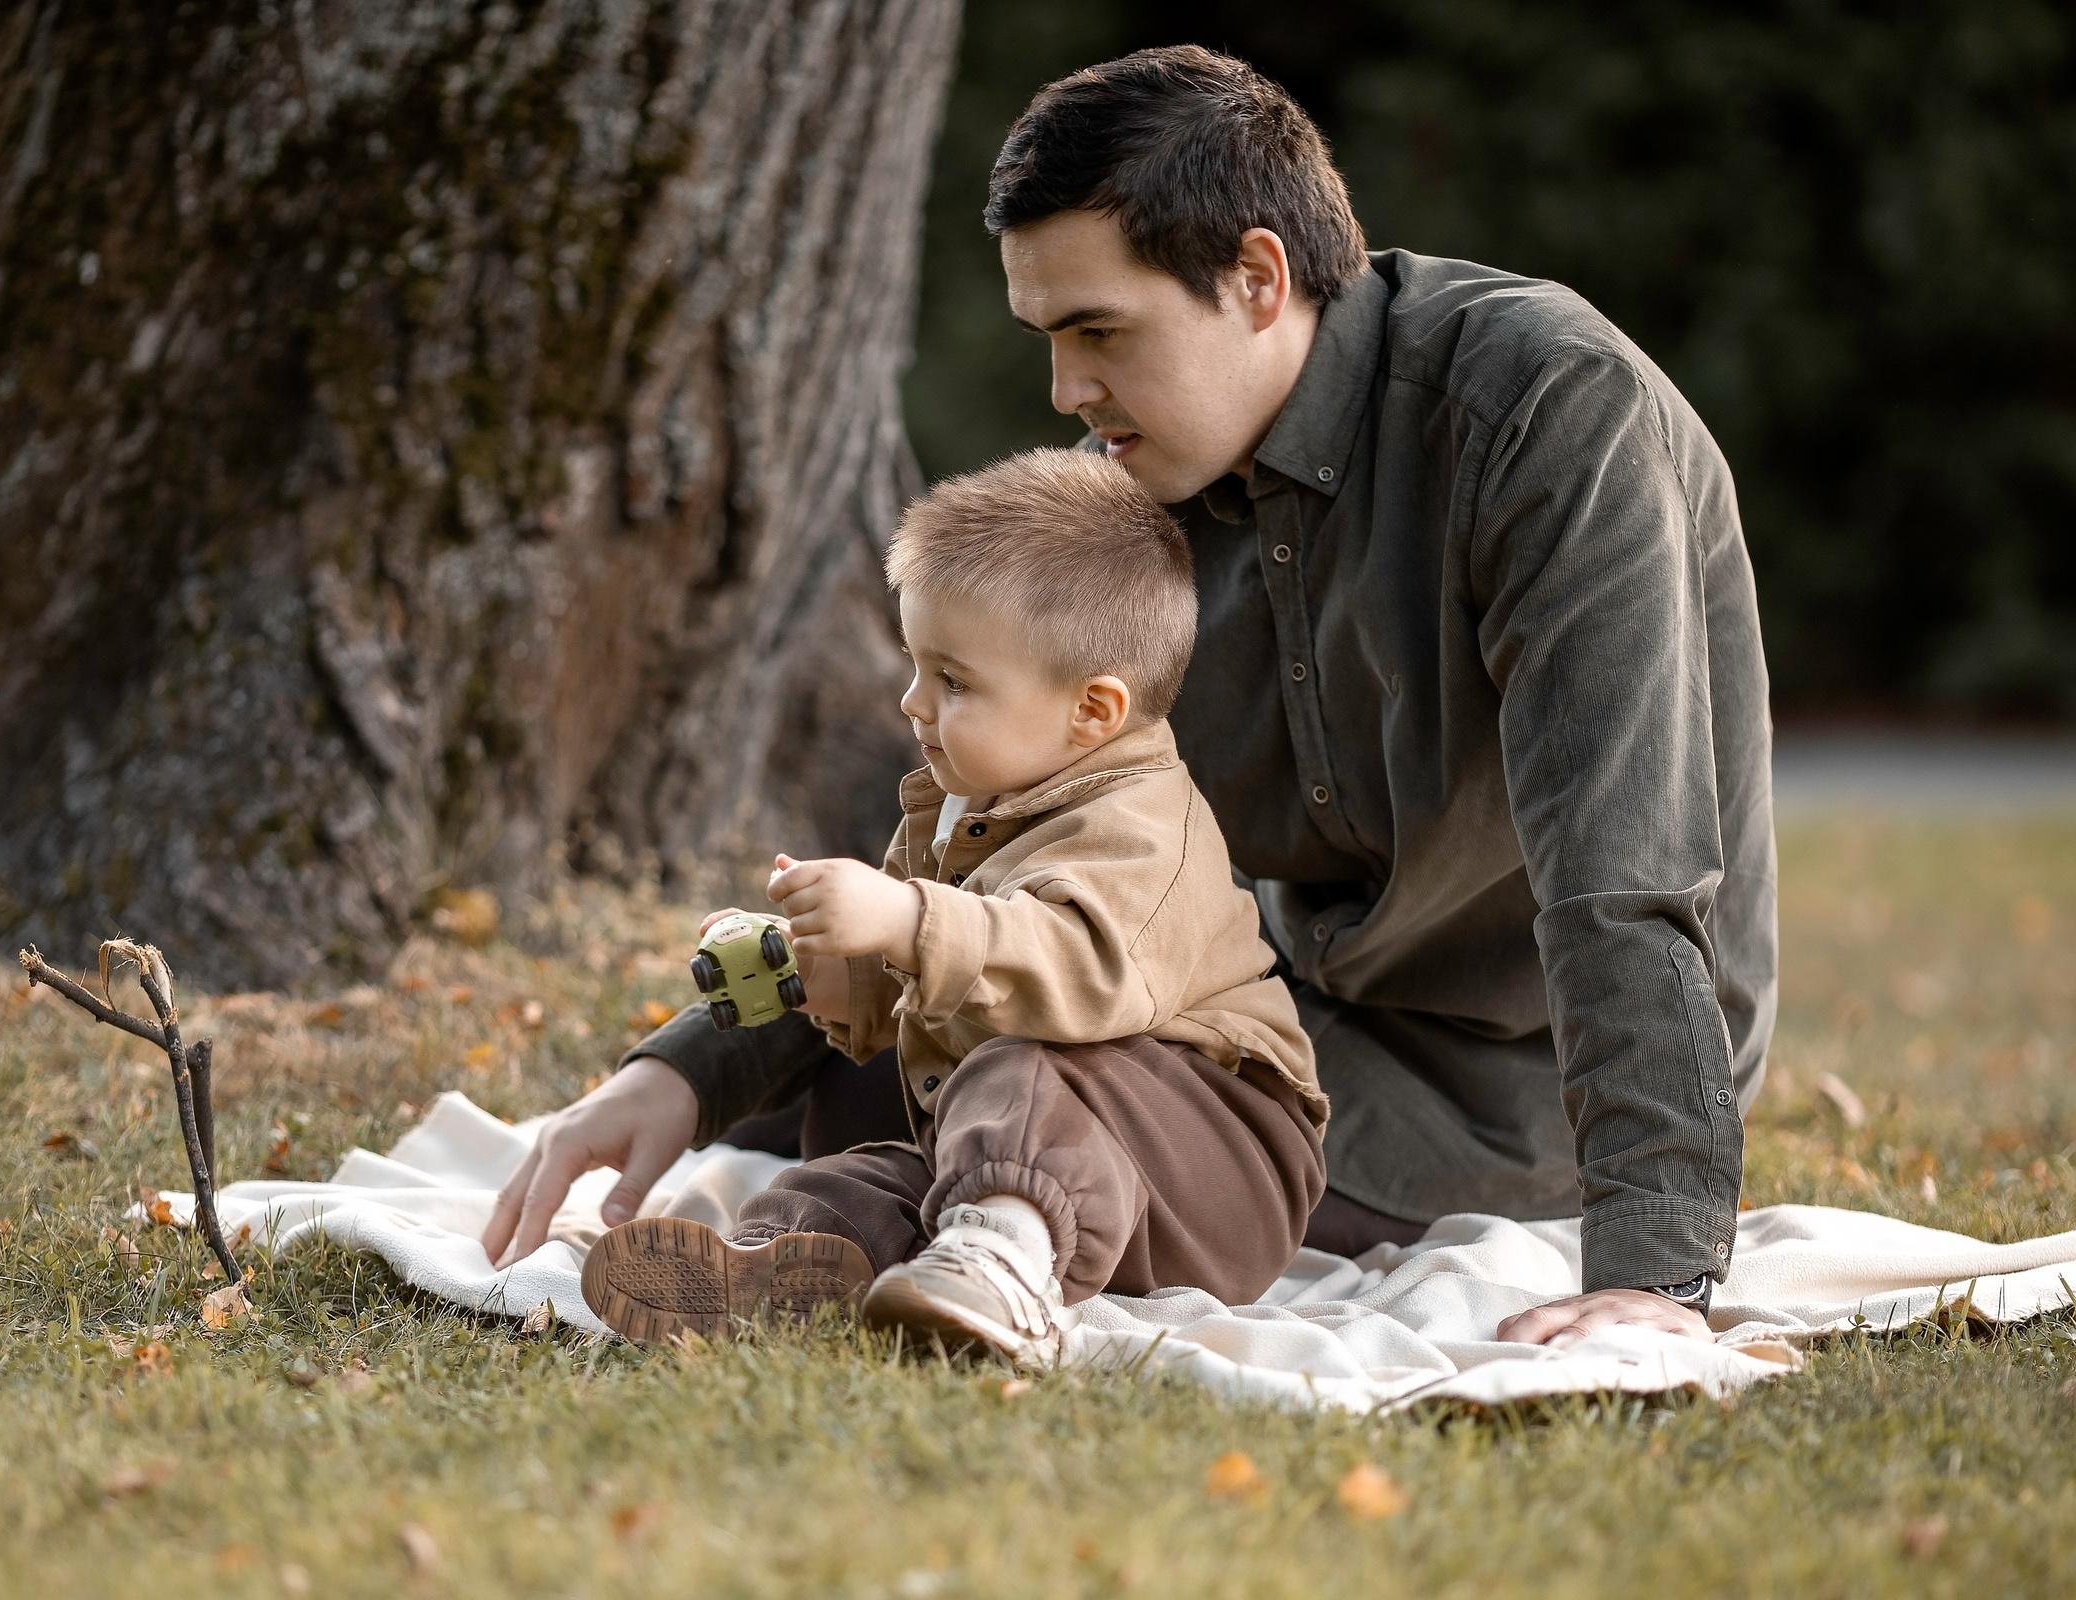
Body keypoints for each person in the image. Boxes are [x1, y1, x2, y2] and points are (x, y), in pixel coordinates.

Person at [487, 45, 1774, 1348]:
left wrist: (1656, 1277)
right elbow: (968, 871)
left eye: (1100, 331)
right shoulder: (1124, 508)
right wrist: (681, 1070)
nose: (1066, 392)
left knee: (1033, 1068)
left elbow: (1626, 881)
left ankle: (974, 1237)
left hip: (1521, 1083)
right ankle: (798, 1253)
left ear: (1258, 280)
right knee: (906, 1052)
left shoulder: (1545, 417)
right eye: (1049, 340)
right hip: (1261, 1006)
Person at [575, 449, 1325, 1361]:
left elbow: (1081, 975)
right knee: (864, 1180)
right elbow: (913, 985)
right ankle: (772, 1271)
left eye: (954, 681)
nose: (912, 701)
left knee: (1028, 1065)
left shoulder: (1143, 827)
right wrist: (816, 962)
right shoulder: (972, 804)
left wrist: (905, 919)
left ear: (1093, 710)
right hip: (1037, 1164)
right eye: (916, 665)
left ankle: (999, 1261)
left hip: (1213, 1163)